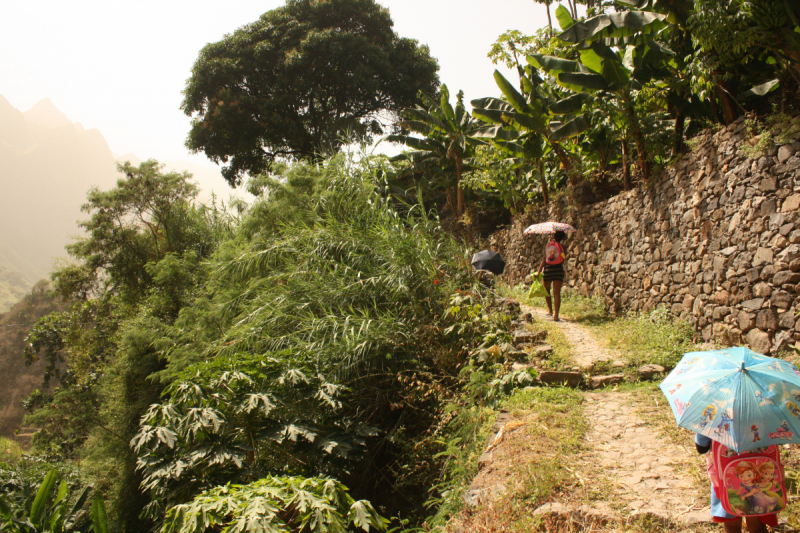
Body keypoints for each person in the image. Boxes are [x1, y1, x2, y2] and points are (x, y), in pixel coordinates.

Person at [695, 434, 777, 533]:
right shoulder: (765, 418)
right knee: (758, 527)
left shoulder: (713, 418)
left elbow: (701, 447)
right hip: (759, 478)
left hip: (726, 481)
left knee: (732, 526)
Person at [537, 230, 567, 321]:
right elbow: (563, 260)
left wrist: (539, 272)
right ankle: (556, 315)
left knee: (547, 291)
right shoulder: (563, 247)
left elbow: (544, 260)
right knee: (556, 293)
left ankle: (550, 310)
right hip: (558, 270)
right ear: (562, 238)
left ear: (554, 236)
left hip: (548, 270)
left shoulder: (549, 246)